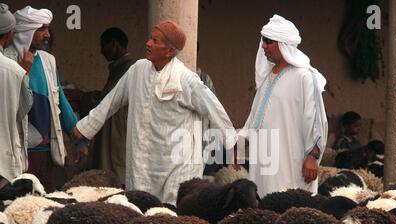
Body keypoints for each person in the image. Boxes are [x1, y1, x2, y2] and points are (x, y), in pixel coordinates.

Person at [72, 20, 237, 205]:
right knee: (140, 210)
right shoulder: (137, 70)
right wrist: (85, 128)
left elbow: (214, 110)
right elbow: (111, 101)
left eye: (155, 41)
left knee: (171, 215)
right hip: (142, 162)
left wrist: (231, 143)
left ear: (169, 51)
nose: (148, 43)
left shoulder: (186, 80)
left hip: (177, 166)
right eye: (151, 38)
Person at [239, 14, 328, 197]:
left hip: (290, 162)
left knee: (289, 210)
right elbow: (253, 119)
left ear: (282, 44)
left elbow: (317, 120)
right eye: (263, 40)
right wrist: (238, 143)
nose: (263, 45)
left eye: (268, 41)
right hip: (262, 162)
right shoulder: (266, 78)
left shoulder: (304, 77)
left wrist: (313, 156)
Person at [4, 6, 88, 192]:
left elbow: (60, 102)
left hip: (46, 151)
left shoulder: (48, 60)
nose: (47, 34)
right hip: (17, 152)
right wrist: (23, 71)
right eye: (41, 29)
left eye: (48, 29)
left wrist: (79, 138)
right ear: (27, 31)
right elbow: (7, 105)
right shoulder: (6, 61)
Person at [65, 27, 136, 186]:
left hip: (118, 132)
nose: (101, 51)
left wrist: (82, 97)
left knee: (116, 175)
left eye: (104, 45)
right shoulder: (118, 67)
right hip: (111, 130)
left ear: (114, 44)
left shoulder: (130, 68)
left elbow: (108, 100)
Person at [0, 3, 33, 188]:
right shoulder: (14, 70)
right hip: (3, 162)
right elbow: (22, 110)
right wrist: (24, 73)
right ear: (8, 34)